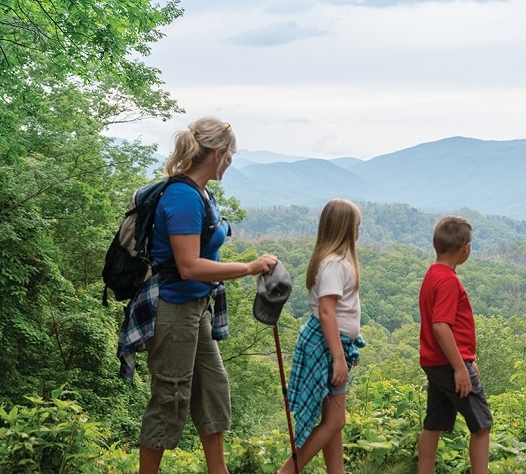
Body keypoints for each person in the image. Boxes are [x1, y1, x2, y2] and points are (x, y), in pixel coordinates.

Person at [118, 116, 279, 474]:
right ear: (218, 153)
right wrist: (249, 267)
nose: (232, 161)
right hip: (173, 308)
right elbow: (189, 266)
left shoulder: (203, 193)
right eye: (231, 154)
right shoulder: (182, 197)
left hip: (197, 307)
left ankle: (217, 469)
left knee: (213, 388)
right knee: (170, 397)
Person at [276, 198, 366, 474]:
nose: (358, 232)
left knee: (332, 419)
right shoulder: (335, 264)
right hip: (329, 347)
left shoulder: (331, 261)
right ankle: (287, 471)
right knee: (336, 420)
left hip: (331, 344)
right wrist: (339, 358)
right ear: (345, 229)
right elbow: (327, 311)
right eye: (356, 226)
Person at [417, 216, 492, 474]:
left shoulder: (432, 274)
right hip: (450, 365)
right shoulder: (448, 280)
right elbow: (440, 325)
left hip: (435, 364)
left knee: (434, 423)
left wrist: (469, 361)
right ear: (465, 249)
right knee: (482, 425)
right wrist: (461, 368)